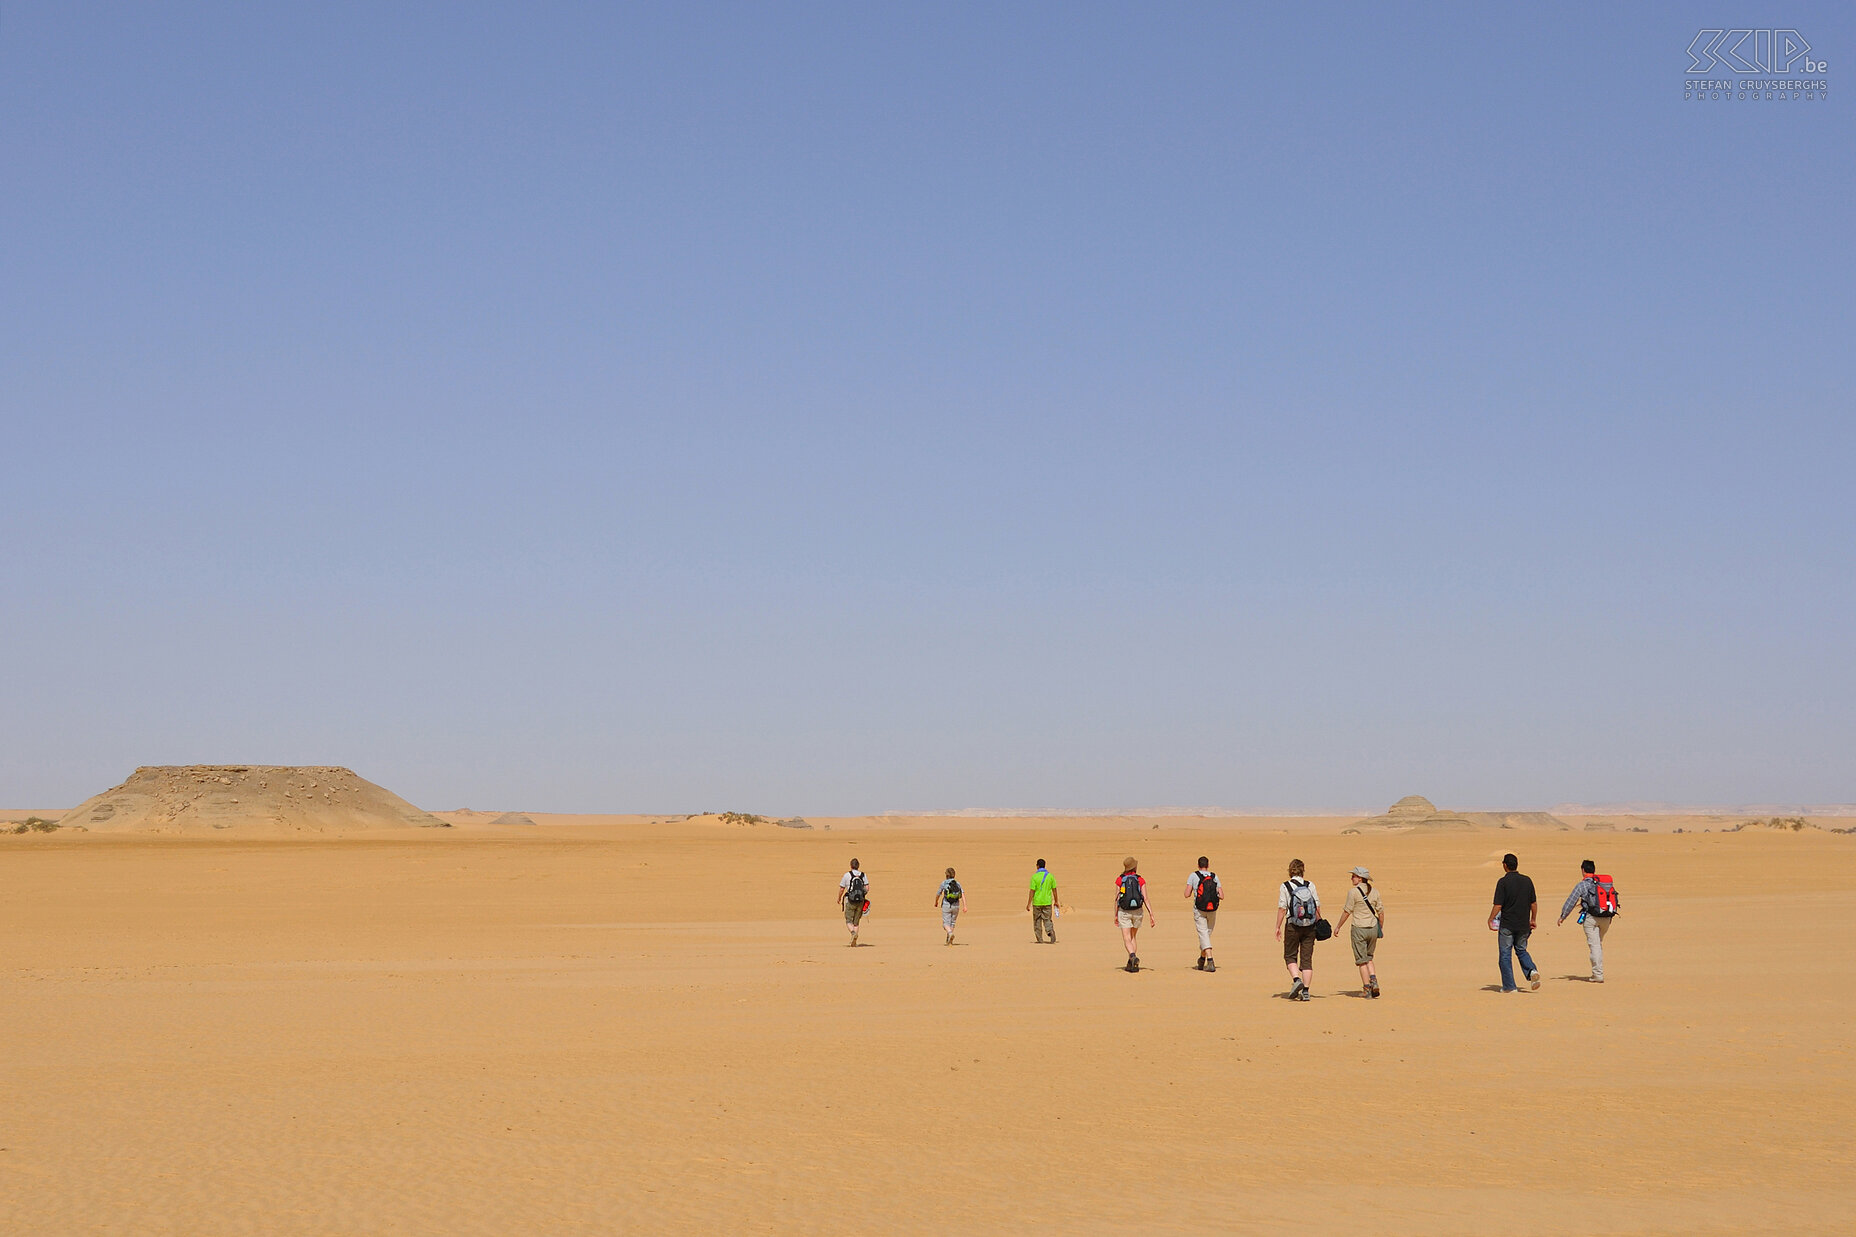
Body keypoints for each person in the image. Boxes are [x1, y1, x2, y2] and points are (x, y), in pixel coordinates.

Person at [1557, 859, 1620, 982]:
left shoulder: (1582, 885)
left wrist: (1563, 916)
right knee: (1597, 944)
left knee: (1595, 946)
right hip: (1606, 918)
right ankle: (1597, 970)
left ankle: (1598, 974)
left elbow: (1571, 901)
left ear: (1583, 870)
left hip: (1591, 918)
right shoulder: (1603, 884)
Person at [1491, 853, 1539, 992]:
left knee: (1505, 955)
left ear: (1505, 865)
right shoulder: (1527, 880)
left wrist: (1491, 919)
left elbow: (1498, 905)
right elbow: (1533, 903)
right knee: (1521, 950)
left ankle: (1509, 986)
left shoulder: (1503, 882)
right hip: (1523, 925)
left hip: (1507, 925)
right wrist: (1533, 919)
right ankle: (1532, 971)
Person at [1333, 865, 1384, 997]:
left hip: (1359, 928)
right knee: (1369, 958)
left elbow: (1347, 911)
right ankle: (1374, 980)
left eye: (1354, 876)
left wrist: (1338, 926)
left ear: (1360, 878)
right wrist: (1380, 927)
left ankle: (1367, 988)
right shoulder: (1375, 892)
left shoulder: (1353, 892)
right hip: (1372, 928)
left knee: (1362, 961)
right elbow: (1381, 912)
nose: (1352, 878)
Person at [1275, 859, 1319, 1000]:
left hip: (1293, 925)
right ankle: (1306, 991)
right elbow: (1317, 906)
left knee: (1290, 955)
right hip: (1310, 926)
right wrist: (1319, 923)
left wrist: (1277, 926)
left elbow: (1282, 908)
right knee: (1307, 960)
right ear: (1303, 870)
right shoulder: (1310, 885)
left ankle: (1296, 980)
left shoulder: (1285, 886)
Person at [1114, 857, 1156, 972]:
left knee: (1126, 937)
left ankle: (1132, 956)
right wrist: (1151, 914)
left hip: (1124, 911)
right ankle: (1132, 963)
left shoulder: (1120, 880)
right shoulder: (1140, 880)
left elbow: (1117, 899)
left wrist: (1116, 915)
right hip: (1138, 911)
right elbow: (1146, 898)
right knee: (1133, 936)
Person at [1184, 857, 1222, 972]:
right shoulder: (1214, 876)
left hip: (1199, 910)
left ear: (1198, 865)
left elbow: (1186, 894)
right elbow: (1222, 895)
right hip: (1212, 909)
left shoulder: (1193, 876)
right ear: (1208, 865)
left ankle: (1210, 960)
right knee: (1206, 935)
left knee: (1203, 934)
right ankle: (1202, 959)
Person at [1026, 858, 1060, 943]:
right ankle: (1050, 931)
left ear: (1037, 866)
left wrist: (1029, 903)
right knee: (1047, 919)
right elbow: (1054, 890)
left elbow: (1032, 891)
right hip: (1047, 902)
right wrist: (1056, 901)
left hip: (1037, 902)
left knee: (1037, 921)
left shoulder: (1034, 877)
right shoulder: (1050, 876)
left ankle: (1040, 939)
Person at [837, 859, 870, 946]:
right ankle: (854, 941)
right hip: (860, 901)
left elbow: (842, 889)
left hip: (850, 900)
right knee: (856, 922)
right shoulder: (863, 875)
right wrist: (862, 894)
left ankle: (853, 934)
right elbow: (867, 888)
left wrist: (839, 898)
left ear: (851, 865)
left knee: (848, 920)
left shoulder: (847, 875)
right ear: (858, 866)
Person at [934, 866, 965, 945]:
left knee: (945, 924)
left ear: (946, 875)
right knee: (952, 923)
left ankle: (950, 934)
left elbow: (938, 894)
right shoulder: (957, 884)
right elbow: (963, 895)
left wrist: (936, 902)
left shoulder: (944, 883)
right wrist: (965, 906)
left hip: (946, 905)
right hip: (956, 905)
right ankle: (949, 940)